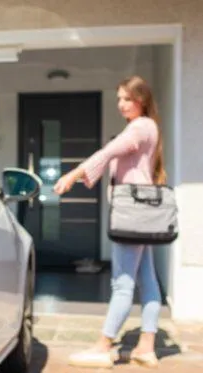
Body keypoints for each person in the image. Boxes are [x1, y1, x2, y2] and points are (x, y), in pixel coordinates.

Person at [53, 75, 165, 369]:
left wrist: (73, 174)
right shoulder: (148, 127)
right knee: (147, 280)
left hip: (131, 214)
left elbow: (109, 152)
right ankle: (146, 347)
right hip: (142, 214)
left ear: (141, 100)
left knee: (122, 284)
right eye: (119, 99)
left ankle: (103, 346)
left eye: (127, 98)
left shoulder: (140, 127)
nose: (121, 104)